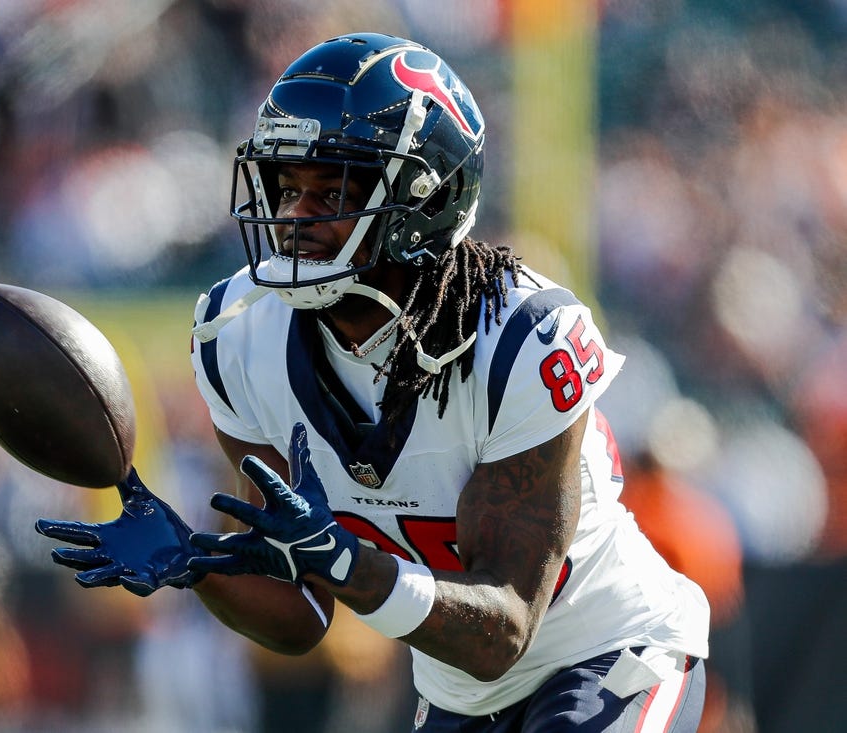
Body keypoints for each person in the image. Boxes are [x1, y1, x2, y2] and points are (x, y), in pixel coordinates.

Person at [37, 32, 710, 731]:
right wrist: (195, 561)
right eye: (286, 187)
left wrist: (344, 560)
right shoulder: (239, 337)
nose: (294, 218)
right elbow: (300, 615)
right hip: (459, 693)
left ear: (424, 201)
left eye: (329, 193)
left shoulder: (520, 338)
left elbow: (502, 628)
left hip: (607, 653)